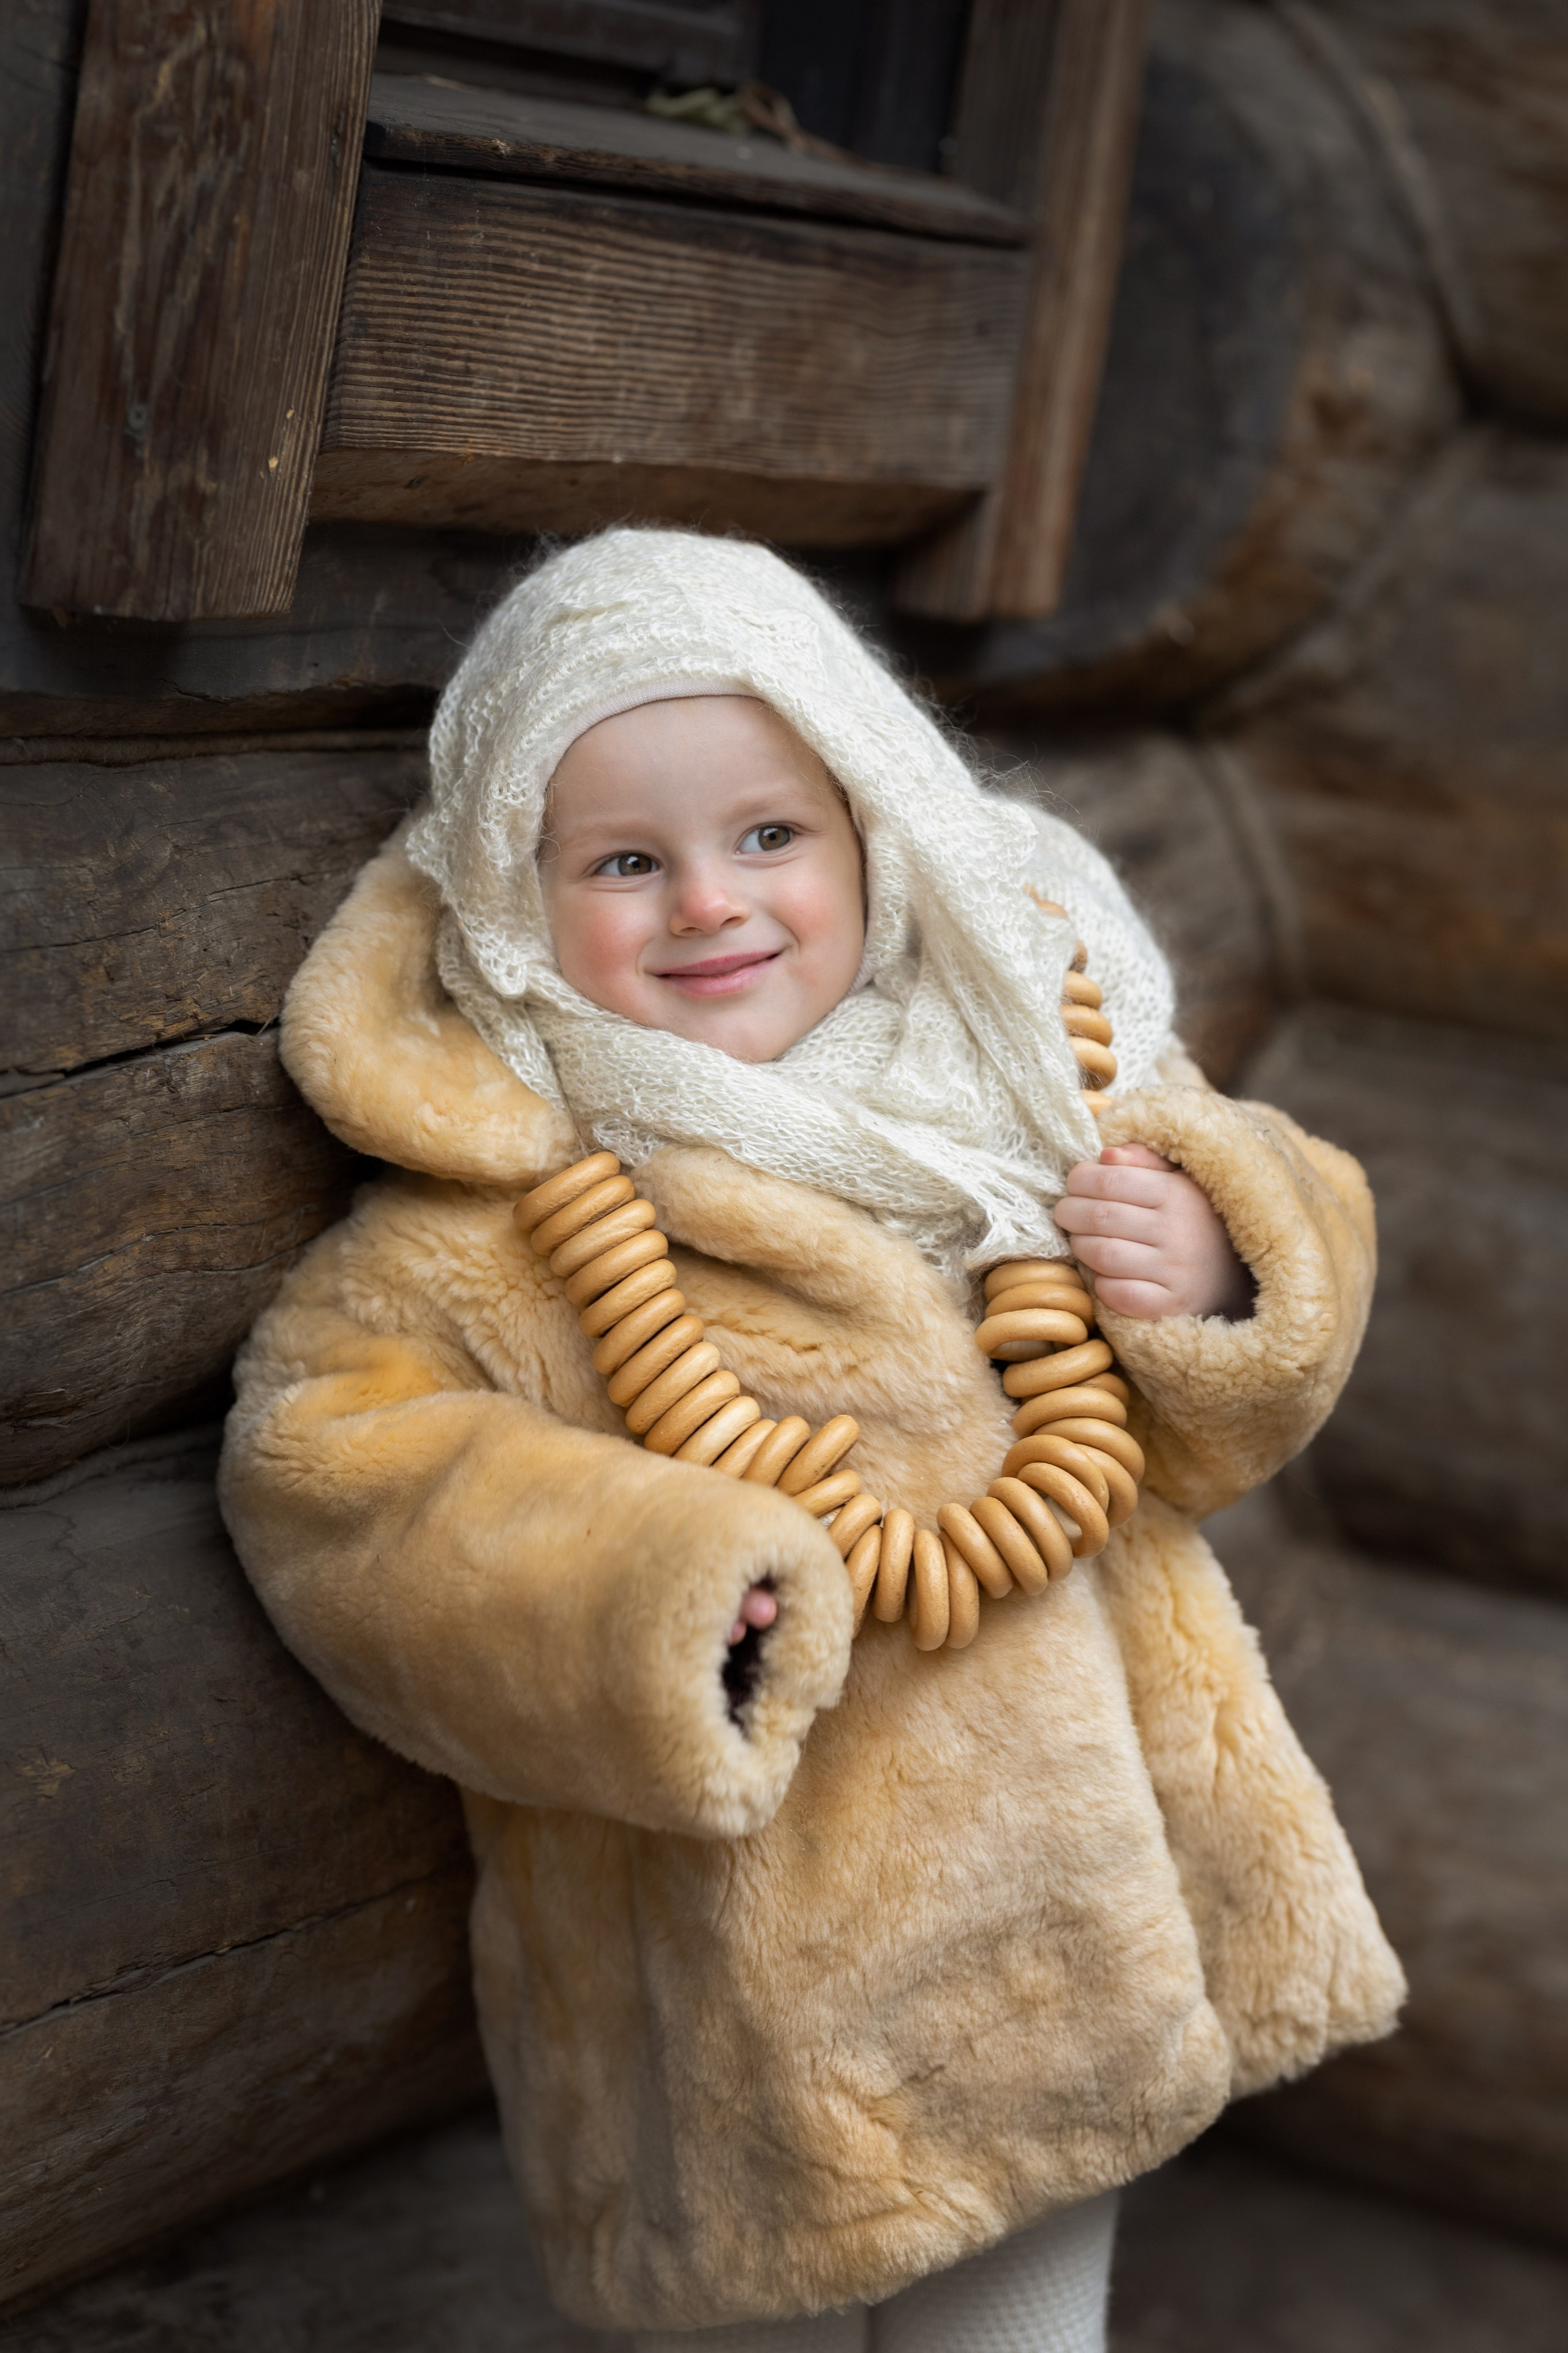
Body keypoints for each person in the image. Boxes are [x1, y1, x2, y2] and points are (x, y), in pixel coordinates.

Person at [220, 529, 1403, 2352]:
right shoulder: (491, 1219)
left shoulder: (1020, 1081)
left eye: (768, 834)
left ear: (873, 826)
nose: (712, 901)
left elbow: (1267, 1300)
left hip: (1076, 1918)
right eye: (627, 861)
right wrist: (645, 1588)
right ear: (514, 907)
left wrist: (1231, 1256)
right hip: (758, 1985)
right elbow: (328, 1469)